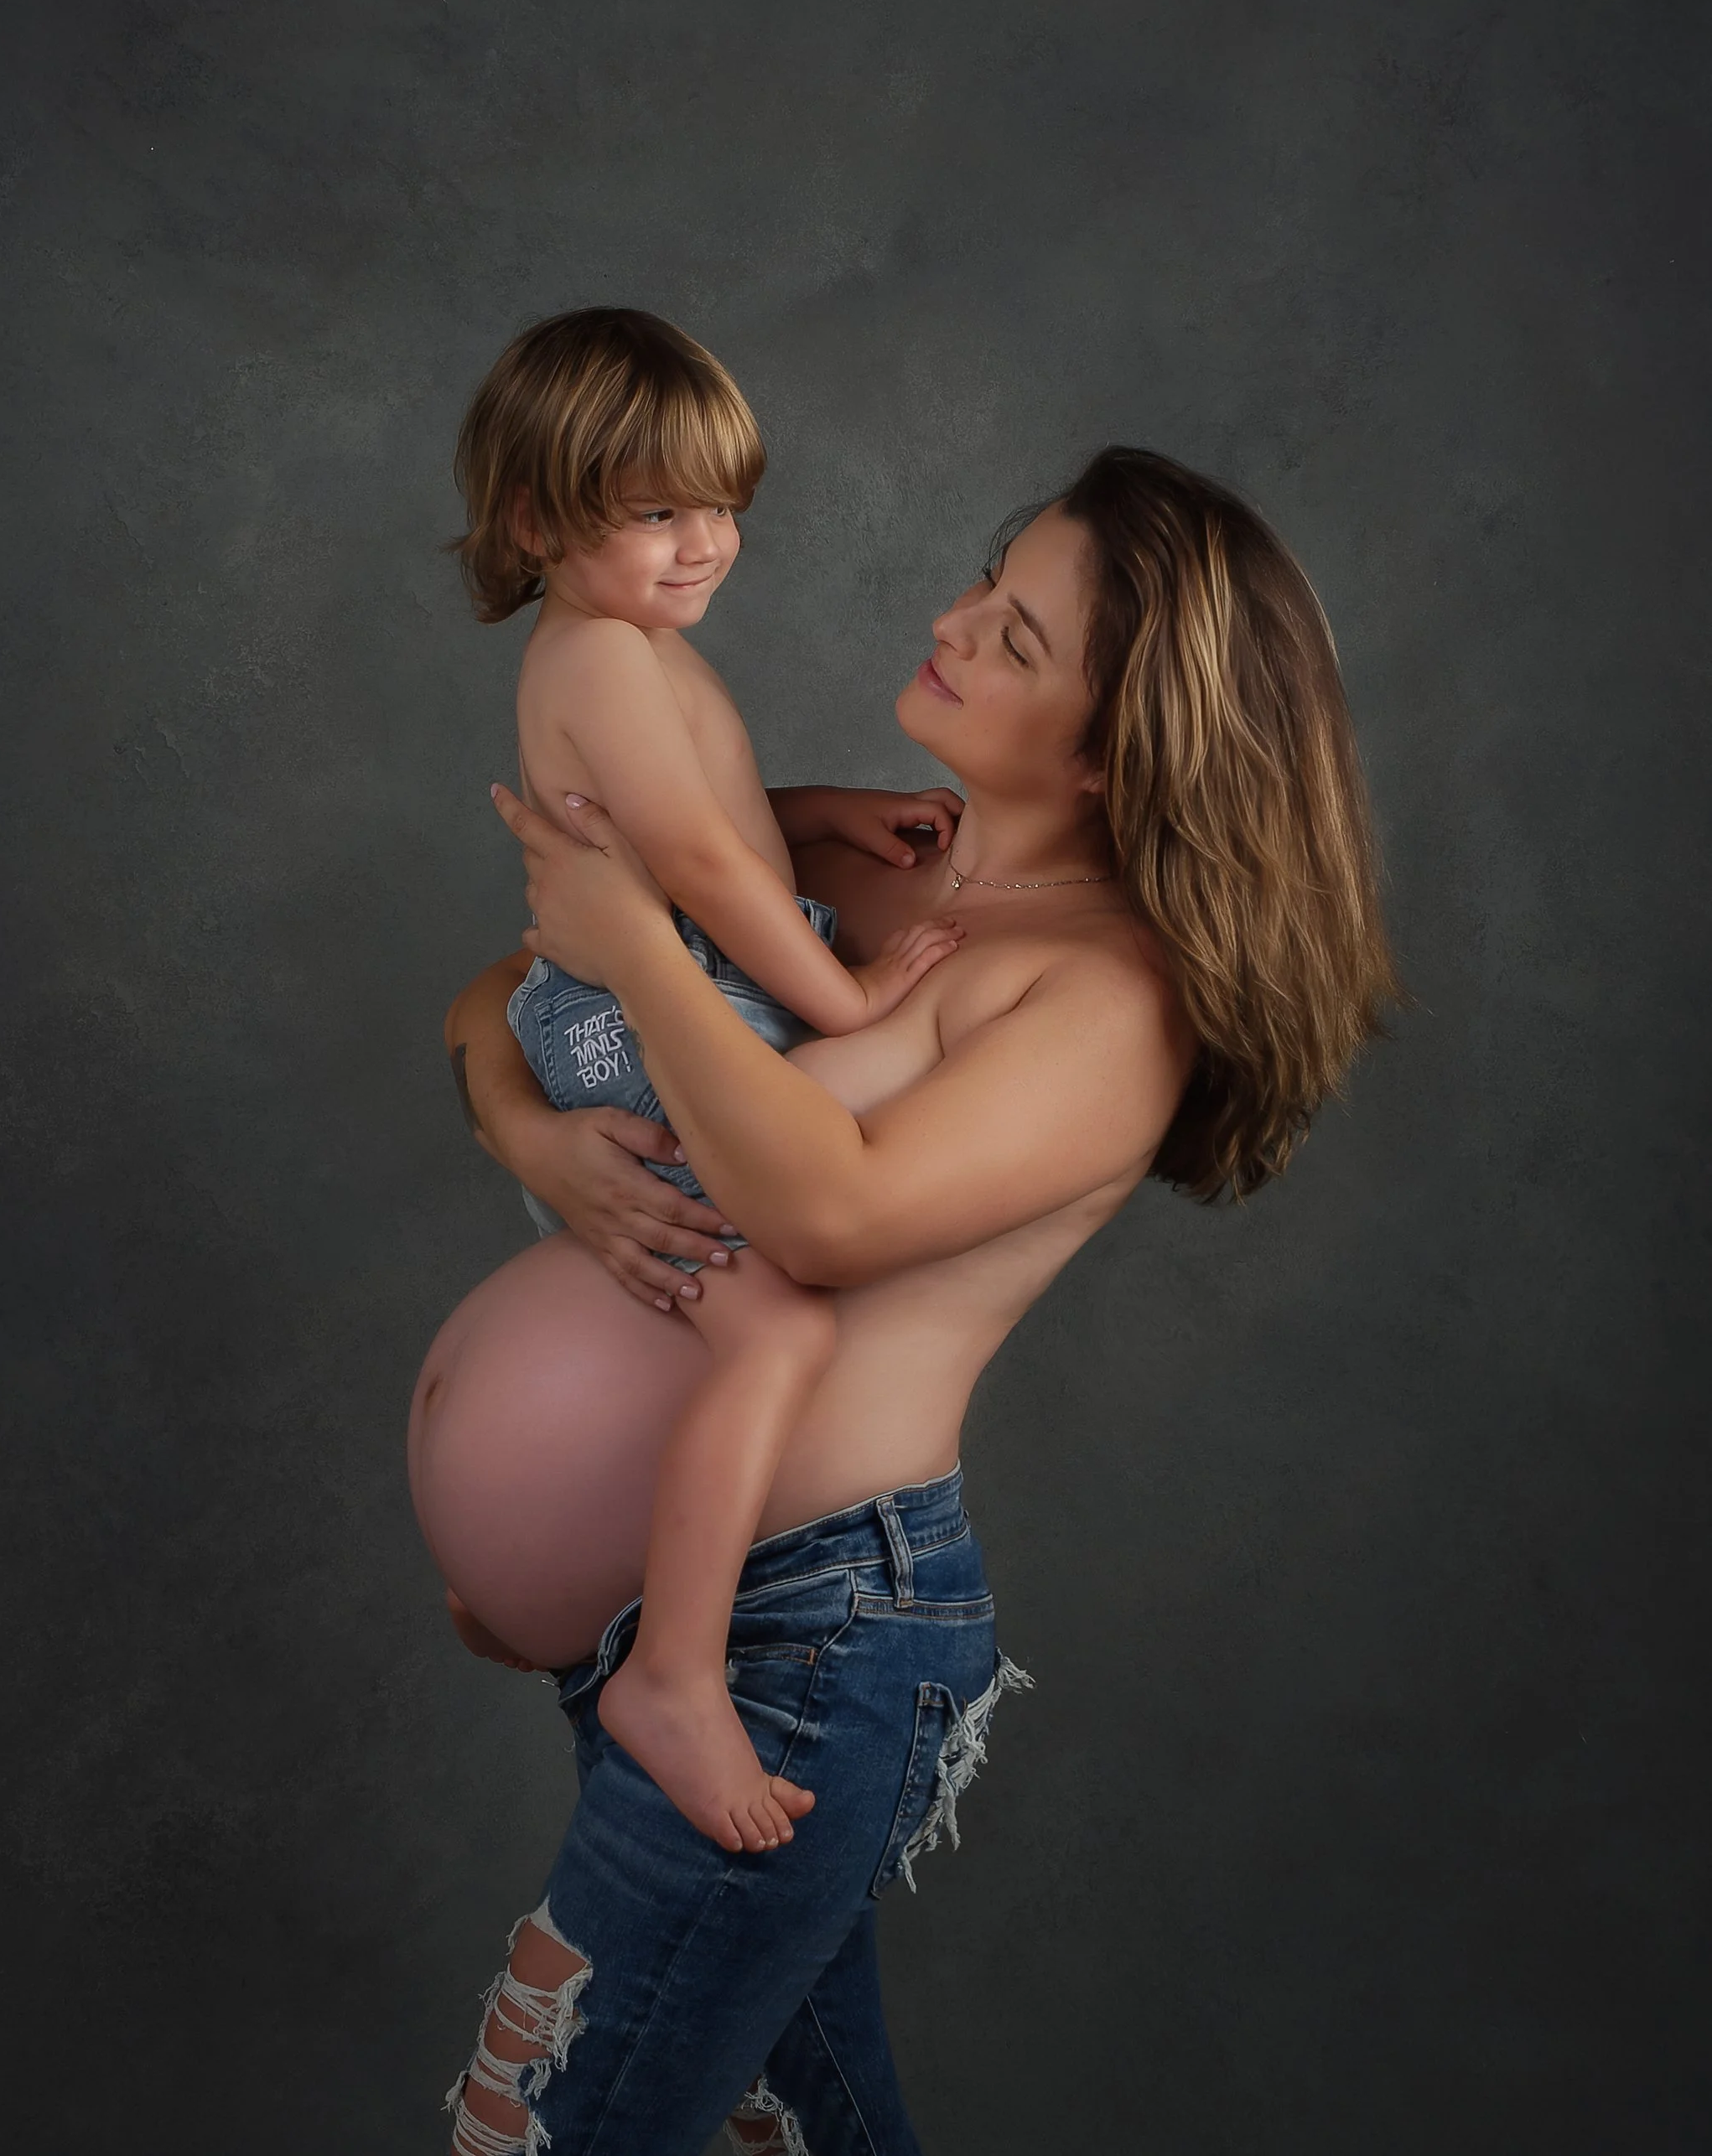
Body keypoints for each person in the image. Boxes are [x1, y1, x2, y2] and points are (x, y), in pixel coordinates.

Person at [416, 447, 1398, 2155]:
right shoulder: (894, 888)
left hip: (802, 1640)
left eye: (1012, 635)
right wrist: (535, 1135)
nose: (948, 619)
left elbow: (830, 1211)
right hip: (672, 1616)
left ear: (1113, 748)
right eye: (982, 579)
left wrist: (643, 955)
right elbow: (498, 998)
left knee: (560, 2129)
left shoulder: (1098, 997)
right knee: (792, 2128)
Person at [443, 307, 963, 1855]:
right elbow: (696, 876)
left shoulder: (631, 647)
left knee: (744, 1317)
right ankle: (667, 1674)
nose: (704, 544)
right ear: (540, 520)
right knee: (773, 1335)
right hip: (634, 1016)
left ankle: (567, 1597)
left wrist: (826, 813)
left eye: (722, 504)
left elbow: (719, 820)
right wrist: (847, 985)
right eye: (657, 511)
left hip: (671, 982)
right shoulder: (602, 653)